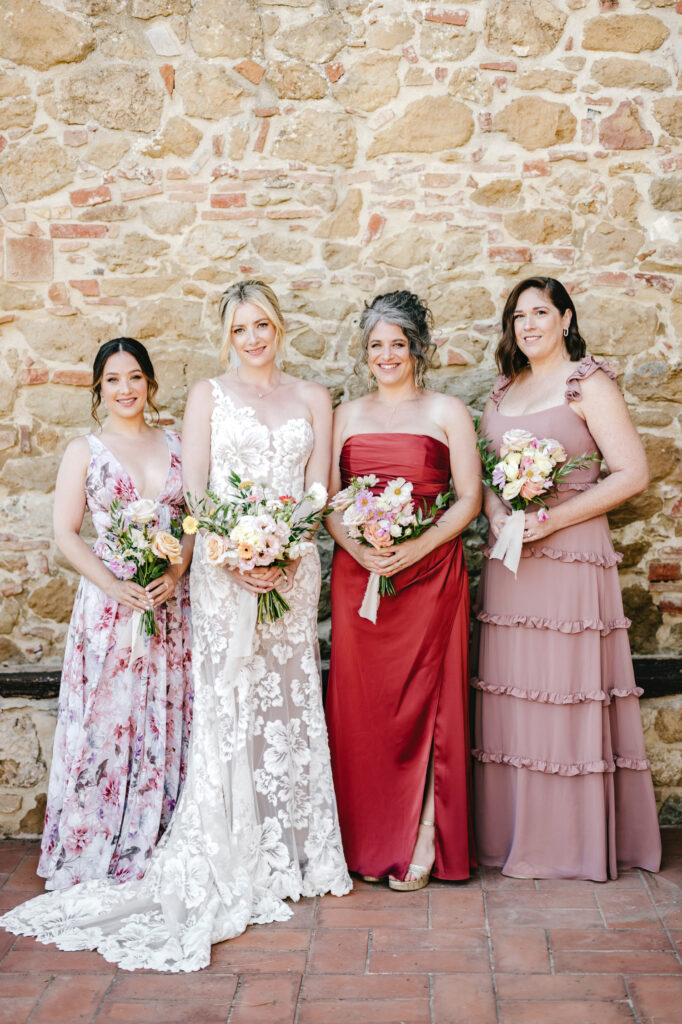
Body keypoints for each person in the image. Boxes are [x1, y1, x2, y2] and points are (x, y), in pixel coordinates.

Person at [0, 281, 350, 972]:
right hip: (223, 572)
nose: (253, 337)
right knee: (227, 705)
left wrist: (285, 550)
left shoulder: (314, 398)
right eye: (240, 328)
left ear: (279, 326)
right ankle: (232, 843)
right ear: (226, 335)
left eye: (262, 325)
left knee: (288, 701)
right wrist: (237, 554)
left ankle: (296, 849)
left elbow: (316, 489)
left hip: (293, 567)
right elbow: (198, 495)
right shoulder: (206, 397)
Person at [473, 276, 661, 881]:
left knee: (565, 689)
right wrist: (502, 513)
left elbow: (631, 473)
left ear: (565, 317)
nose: (527, 325)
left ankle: (569, 841)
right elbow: (483, 477)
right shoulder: (503, 391)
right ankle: (513, 833)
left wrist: (548, 519)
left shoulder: (590, 382)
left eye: (539, 313)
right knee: (516, 692)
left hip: (571, 553)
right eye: (518, 317)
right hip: (511, 562)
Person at [325, 290, 481, 891]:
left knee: (427, 706)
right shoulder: (345, 416)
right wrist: (357, 547)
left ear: (418, 348)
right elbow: (329, 501)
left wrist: (417, 546)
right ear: (365, 354)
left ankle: (422, 839)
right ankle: (361, 838)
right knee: (362, 710)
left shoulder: (447, 411)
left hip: (429, 574)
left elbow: (468, 497)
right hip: (359, 576)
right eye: (375, 345)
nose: (386, 355)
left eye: (397, 343)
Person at [38, 337, 193, 889]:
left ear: (150, 383)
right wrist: (113, 585)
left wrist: (174, 575)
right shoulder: (85, 449)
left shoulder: (177, 443)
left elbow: (191, 523)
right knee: (109, 719)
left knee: (167, 714)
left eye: (134, 377)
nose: (124, 389)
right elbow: (64, 532)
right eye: (112, 379)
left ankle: (161, 831)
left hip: (170, 608)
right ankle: (98, 838)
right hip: (109, 608)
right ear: (98, 388)